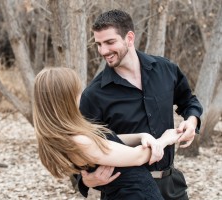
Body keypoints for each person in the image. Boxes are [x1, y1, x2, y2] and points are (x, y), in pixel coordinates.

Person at [77, 9, 203, 200]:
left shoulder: (165, 69)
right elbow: (81, 149)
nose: (103, 51)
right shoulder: (93, 95)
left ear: (129, 38)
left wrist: (192, 121)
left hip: (173, 187)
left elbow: (188, 101)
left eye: (110, 42)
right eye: (99, 44)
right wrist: (87, 180)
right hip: (126, 193)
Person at [33, 67, 183, 200]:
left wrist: (141, 136)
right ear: (66, 99)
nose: (81, 94)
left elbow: (108, 141)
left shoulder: (72, 136)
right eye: (77, 91)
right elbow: (138, 157)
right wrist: (165, 140)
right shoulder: (79, 142)